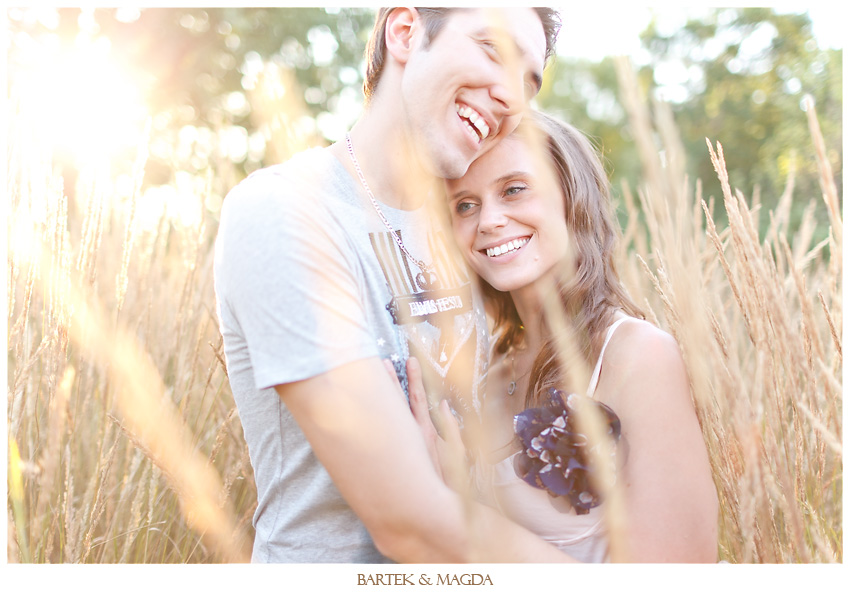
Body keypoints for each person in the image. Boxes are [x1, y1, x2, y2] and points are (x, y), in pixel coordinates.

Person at [213, 7, 571, 563]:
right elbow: (409, 523)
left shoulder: (476, 234)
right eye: (492, 50)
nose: (512, 98)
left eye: (529, 82)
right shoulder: (287, 212)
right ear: (404, 32)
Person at [410, 110, 719, 562]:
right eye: (465, 205)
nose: (489, 221)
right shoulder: (481, 371)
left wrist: (456, 509)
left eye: (514, 189)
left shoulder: (635, 355)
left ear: (571, 198)